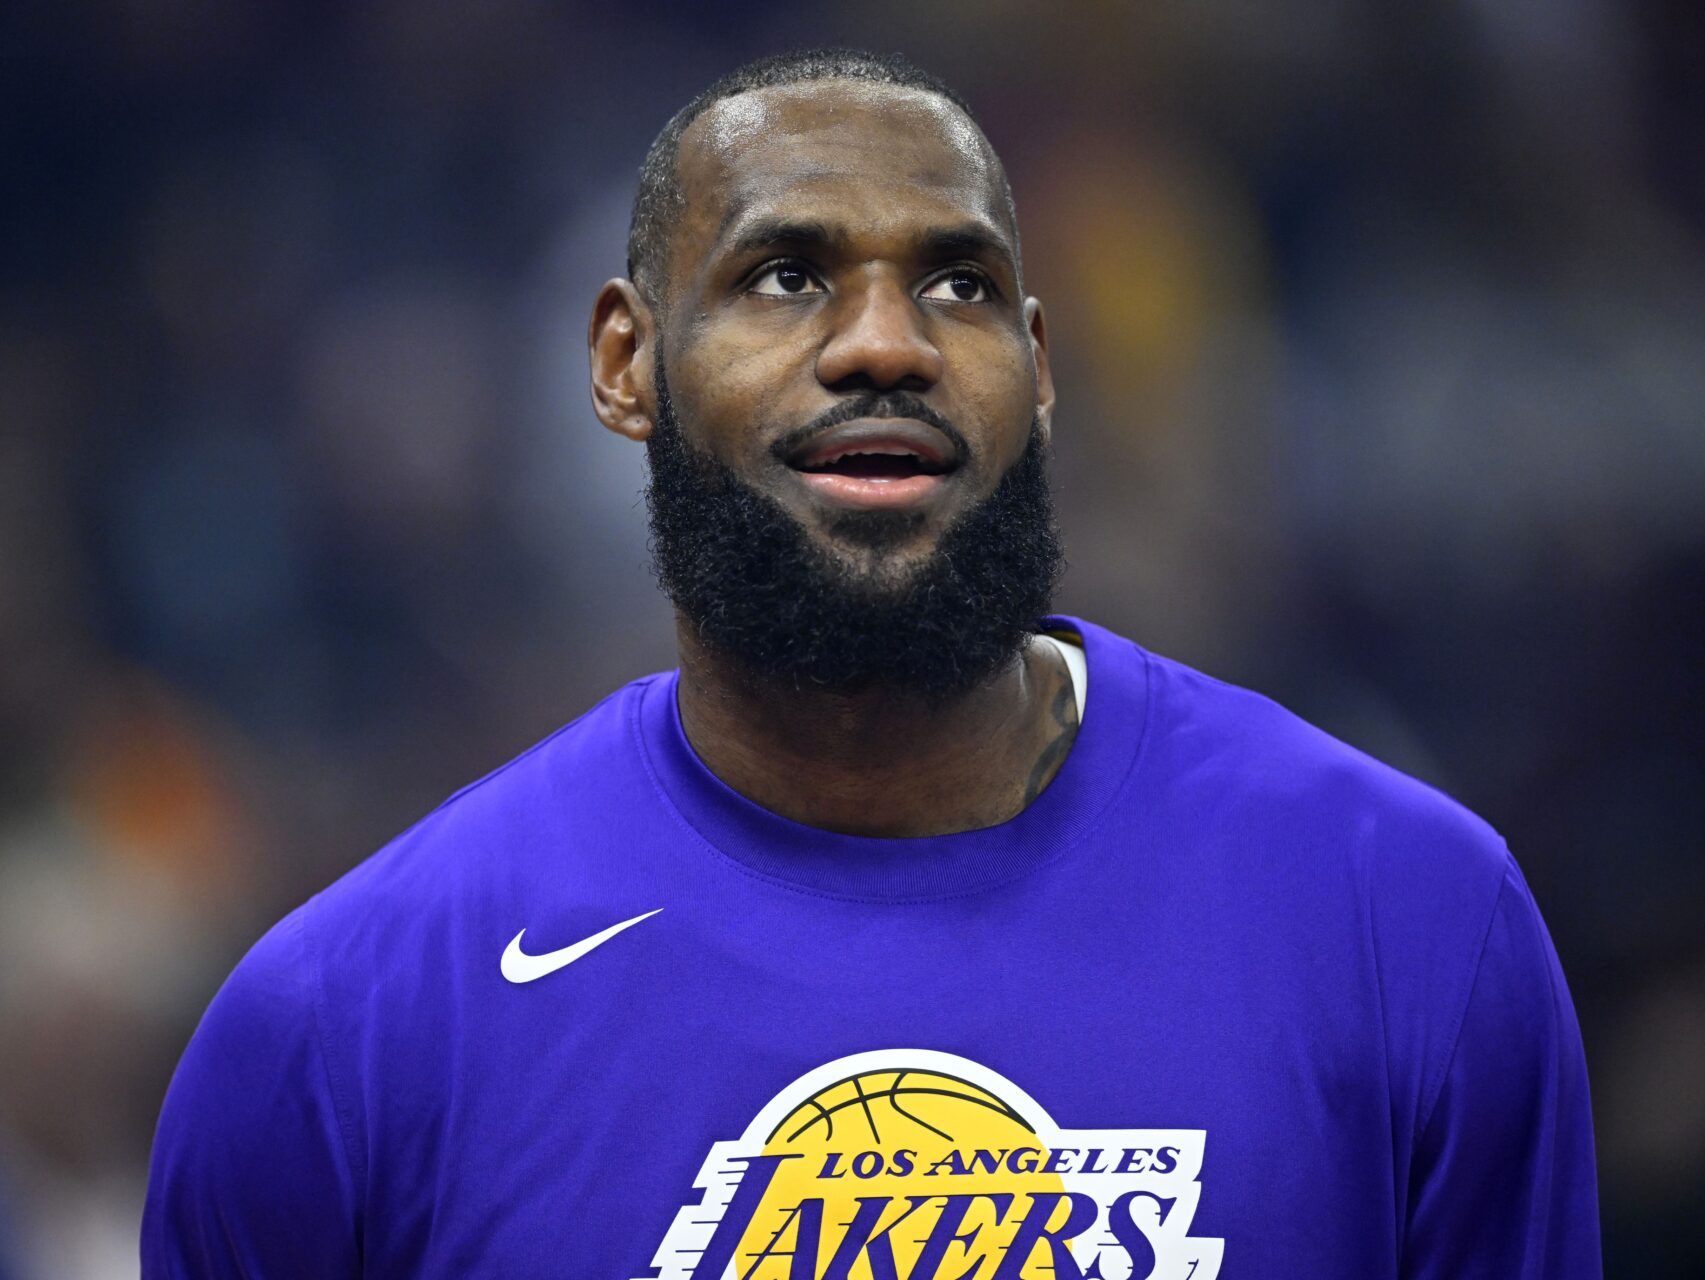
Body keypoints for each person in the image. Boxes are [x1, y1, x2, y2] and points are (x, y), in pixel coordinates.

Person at [142, 48, 1601, 1279]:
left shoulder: (1409, 923)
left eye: (958, 287)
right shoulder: (342, 1033)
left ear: (1038, 368)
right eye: (787, 276)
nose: (886, 346)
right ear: (623, 364)